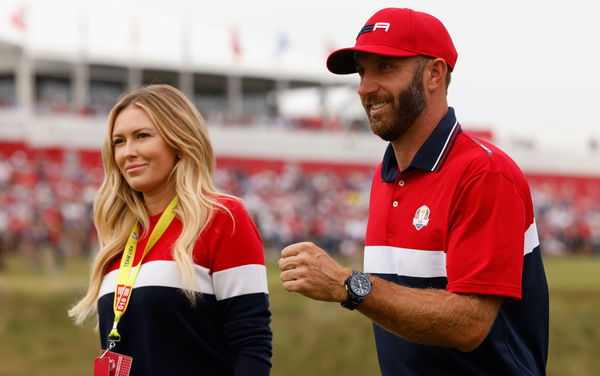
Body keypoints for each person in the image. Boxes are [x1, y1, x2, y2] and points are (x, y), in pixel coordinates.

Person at [278, 8, 548, 376]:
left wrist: (348, 285)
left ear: (434, 74)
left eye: (384, 68)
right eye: (362, 72)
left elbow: (470, 324)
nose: (365, 88)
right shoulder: (385, 175)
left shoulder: (485, 173)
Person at [69, 84, 272, 375]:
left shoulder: (223, 217)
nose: (128, 152)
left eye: (142, 136)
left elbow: (252, 345)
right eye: (119, 141)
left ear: (178, 140)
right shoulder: (120, 237)